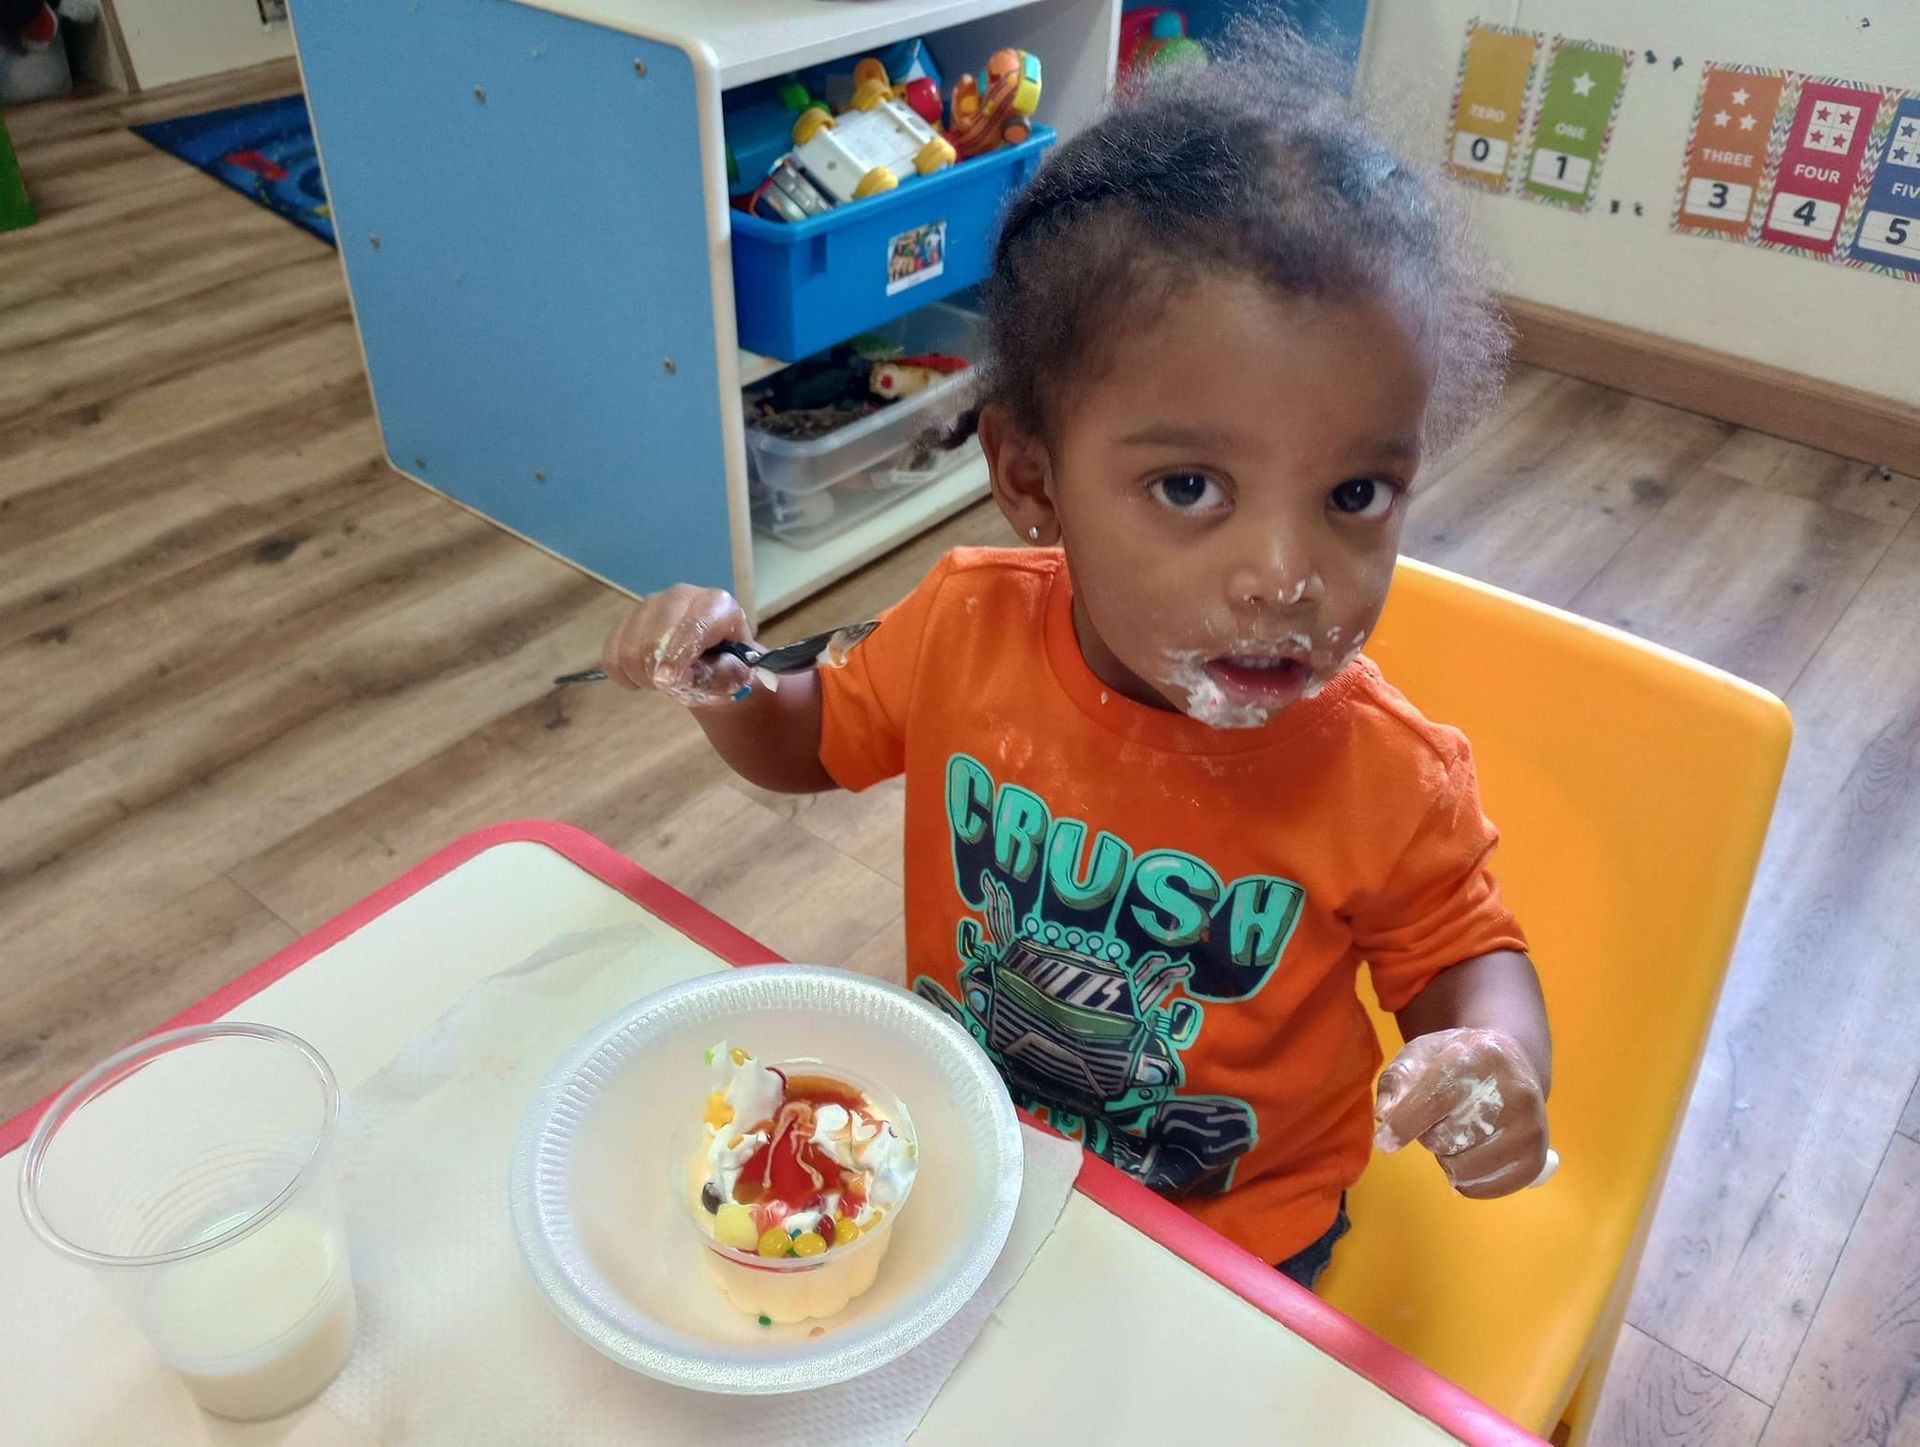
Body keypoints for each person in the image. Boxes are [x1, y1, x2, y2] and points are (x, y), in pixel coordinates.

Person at [602, 32, 1551, 1290]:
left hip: (1234, 1229)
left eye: (1355, 490)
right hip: (969, 1141)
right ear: (1030, 477)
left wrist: (1496, 1058)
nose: (1286, 571)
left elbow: (1464, 963)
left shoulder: (1387, 774)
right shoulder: (962, 628)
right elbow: (806, 737)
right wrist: (727, 682)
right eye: (1191, 485)